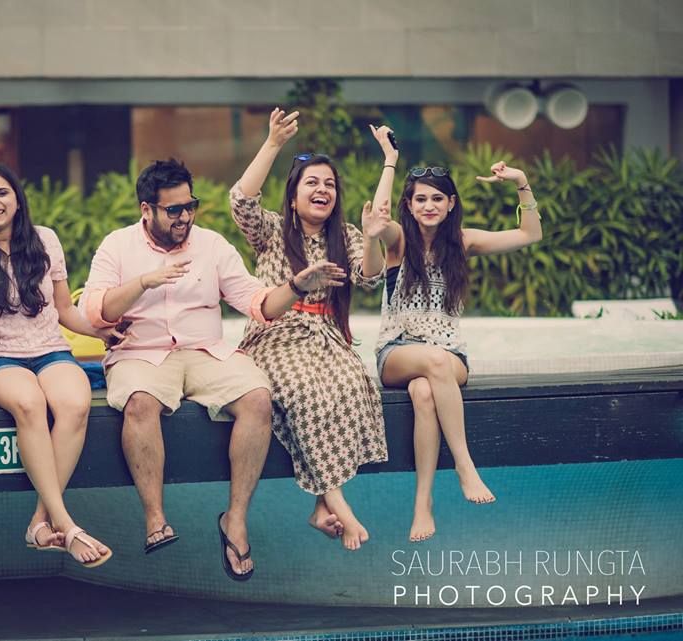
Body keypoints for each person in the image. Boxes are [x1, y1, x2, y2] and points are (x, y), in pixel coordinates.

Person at [80, 158, 346, 580]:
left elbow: (257, 304)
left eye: (190, 206)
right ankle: (155, 518)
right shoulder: (118, 246)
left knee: (258, 398)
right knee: (139, 403)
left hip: (206, 352)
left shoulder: (212, 245)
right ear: (146, 209)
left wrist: (297, 286)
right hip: (141, 354)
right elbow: (94, 313)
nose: (185, 216)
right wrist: (144, 282)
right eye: (173, 210)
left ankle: (235, 519)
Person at [229, 109, 391, 551]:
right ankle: (340, 508)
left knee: (350, 383)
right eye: (312, 183)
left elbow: (371, 276)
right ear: (294, 194)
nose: (322, 190)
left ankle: (321, 506)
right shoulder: (273, 232)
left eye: (329, 185)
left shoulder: (348, 235)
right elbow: (241, 201)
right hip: (277, 336)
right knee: (301, 389)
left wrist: (374, 237)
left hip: (327, 338)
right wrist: (273, 144)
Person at [0, 162, 116, 568]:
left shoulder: (45, 240)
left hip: (50, 349)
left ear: (17, 199)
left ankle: (41, 520)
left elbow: (64, 310)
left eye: (1, 193)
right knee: (29, 404)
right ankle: (66, 524)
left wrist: (103, 332)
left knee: (74, 404)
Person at [374, 156, 543, 542]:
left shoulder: (463, 242)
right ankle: (465, 466)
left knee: (423, 391)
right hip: (398, 352)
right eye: (420, 199)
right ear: (409, 205)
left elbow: (529, 234)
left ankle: (422, 504)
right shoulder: (399, 241)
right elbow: (379, 221)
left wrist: (522, 181)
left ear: (451, 203)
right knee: (432, 363)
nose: (428, 205)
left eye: (437, 198)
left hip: (450, 356)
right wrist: (389, 162)